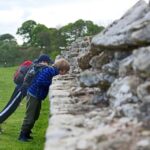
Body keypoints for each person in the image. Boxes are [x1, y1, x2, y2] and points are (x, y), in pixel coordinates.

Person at [18, 57, 70, 142]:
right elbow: (40, 81)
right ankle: (22, 134)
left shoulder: (52, 71)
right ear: (61, 69)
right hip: (33, 94)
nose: (65, 73)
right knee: (30, 116)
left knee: (36, 115)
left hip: (37, 95)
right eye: (65, 71)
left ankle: (27, 132)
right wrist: (51, 83)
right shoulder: (49, 71)